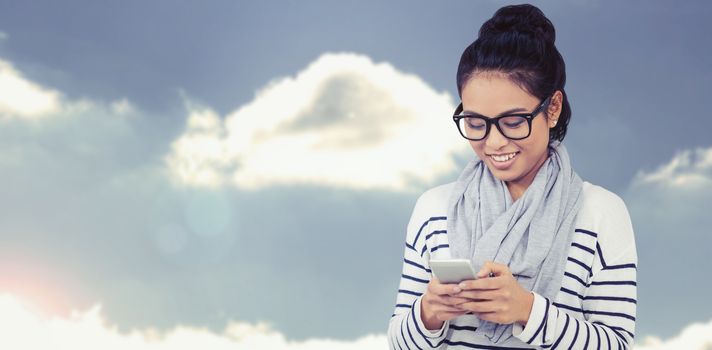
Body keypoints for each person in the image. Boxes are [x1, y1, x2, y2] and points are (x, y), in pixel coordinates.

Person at [387, 4, 637, 349]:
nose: (493, 142)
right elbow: (399, 342)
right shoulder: (433, 209)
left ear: (552, 108)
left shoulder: (601, 213)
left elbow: (617, 345)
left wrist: (527, 310)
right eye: (476, 123)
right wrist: (429, 311)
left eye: (513, 122)